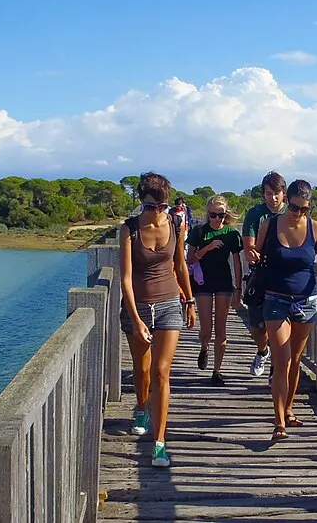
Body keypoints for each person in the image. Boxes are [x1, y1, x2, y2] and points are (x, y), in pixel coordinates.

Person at [118, 172, 197, 467]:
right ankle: (141, 407)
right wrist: (136, 320)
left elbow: (180, 265)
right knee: (143, 368)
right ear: (141, 202)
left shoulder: (175, 224)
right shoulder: (129, 230)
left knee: (163, 371)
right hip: (137, 306)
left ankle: (160, 441)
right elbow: (126, 279)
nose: (156, 213)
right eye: (150, 207)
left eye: (161, 207)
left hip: (168, 305)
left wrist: (189, 301)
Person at [255, 179, 317, 440]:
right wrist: (252, 256)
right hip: (275, 299)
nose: (299, 213)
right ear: (286, 202)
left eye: (305, 209)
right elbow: (257, 255)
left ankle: (289, 410)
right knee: (282, 359)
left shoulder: (316, 229)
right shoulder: (269, 225)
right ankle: (279, 422)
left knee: (295, 361)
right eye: (294, 208)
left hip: (306, 301)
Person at [188, 196, 244, 384]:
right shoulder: (199, 232)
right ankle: (204, 347)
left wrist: (238, 288)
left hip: (223, 283)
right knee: (206, 328)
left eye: (221, 215)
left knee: (221, 328)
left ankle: (217, 371)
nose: (217, 219)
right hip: (203, 282)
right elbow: (190, 260)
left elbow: (236, 262)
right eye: (213, 215)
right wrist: (208, 248)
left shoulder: (232, 234)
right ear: (207, 214)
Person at [237, 171, 285, 379]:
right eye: (268, 193)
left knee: (279, 327)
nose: (272, 198)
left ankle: (276, 371)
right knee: (258, 328)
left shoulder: (292, 213)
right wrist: (252, 253)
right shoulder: (255, 214)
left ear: (284, 193)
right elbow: (249, 246)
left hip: (284, 279)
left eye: (276, 193)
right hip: (260, 276)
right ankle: (262, 351)